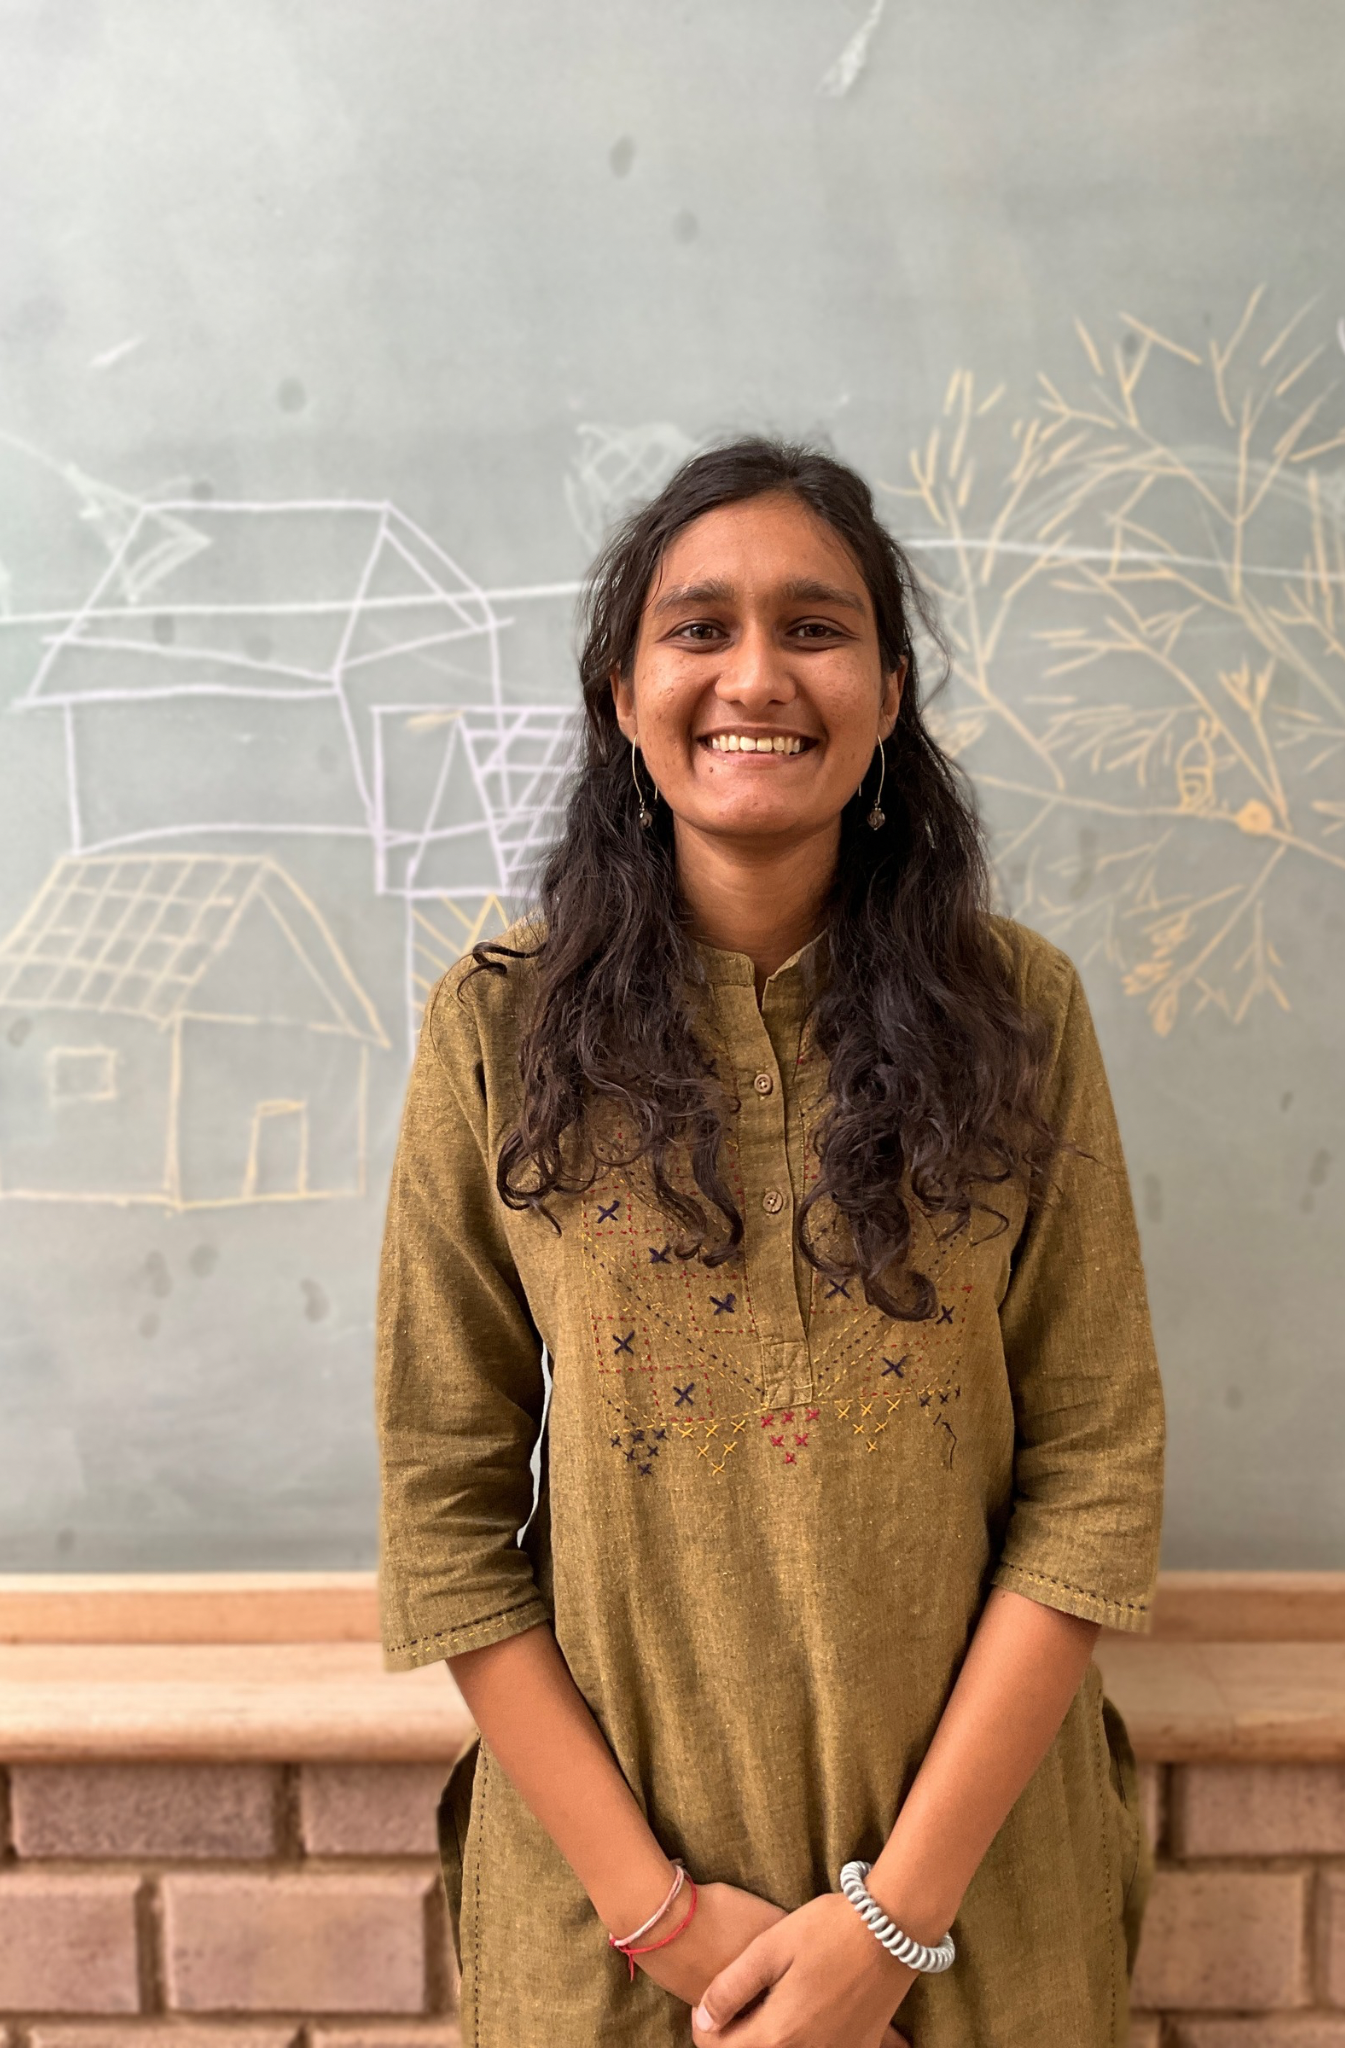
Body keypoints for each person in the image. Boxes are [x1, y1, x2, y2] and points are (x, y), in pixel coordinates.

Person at [373, 438, 1166, 2047]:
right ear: (621, 691)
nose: (757, 674)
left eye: (816, 627)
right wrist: (660, 1918)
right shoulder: (496, 1034)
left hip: (980, 1913)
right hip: (615, 1927)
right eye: (698, 626)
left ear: (887, 694)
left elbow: (1095, 1475)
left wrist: (893, 1919)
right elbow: (443, 1512)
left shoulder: (1020, 1016)